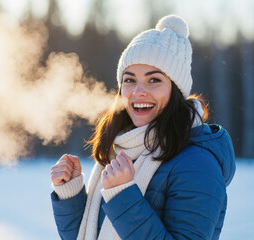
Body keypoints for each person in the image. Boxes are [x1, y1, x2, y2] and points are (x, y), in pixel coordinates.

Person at [50, 15, 236, 240]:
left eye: (154, 80)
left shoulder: (197, 163)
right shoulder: (122, 149)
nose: (138, 92)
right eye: (129, 80)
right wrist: (70, 193)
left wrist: (123, 196)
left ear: (176, 90)